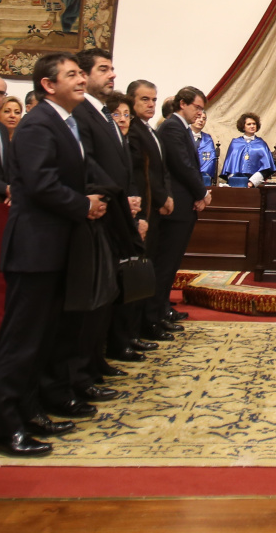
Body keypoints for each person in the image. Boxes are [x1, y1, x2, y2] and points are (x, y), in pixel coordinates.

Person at [0, 53, 109, 457]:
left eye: (79, 73)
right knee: (22, 340)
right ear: (48, 85)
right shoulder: (38, 123)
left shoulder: (65, 121)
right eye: (71, 74)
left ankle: (30, 410)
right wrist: (82, 205)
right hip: (34, 249)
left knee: (44, 338)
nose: (80, 79)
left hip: (57, 246)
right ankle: (4, 428)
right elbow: (40, 184)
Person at [58, 49, 144, 396]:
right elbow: (87, 165)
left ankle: (94, 364)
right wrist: (113, 196)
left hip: (115, 212)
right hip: (98, 212)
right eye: (103, 70)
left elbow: (122, 165)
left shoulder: (103, 115)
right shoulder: (80, 115)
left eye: (112, 70)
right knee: (91, 300)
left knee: (105, 296)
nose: (111, 75)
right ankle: (79, 375)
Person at [149, 86, 210, 339]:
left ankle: (162, 309)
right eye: (196, 107)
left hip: (183, 204)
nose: (199, 113)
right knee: (164, 263)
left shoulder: (180, 127)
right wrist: (201, 194)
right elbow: (182, 166)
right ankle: (155, 314)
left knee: (171, 263)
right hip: (176, 206)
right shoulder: (172, 126)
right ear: (182, 103)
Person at [116, 79, 171, 356]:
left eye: (153, 99)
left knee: (146, 272)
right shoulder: (132, 132)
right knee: (135, 274)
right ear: (131, 101)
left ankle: (137, 329)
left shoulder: (149, 129)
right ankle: (128, 334)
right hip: (141, 211)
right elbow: (142, 176)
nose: (150, 104)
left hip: (150, 209)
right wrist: (158, 201)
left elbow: (160, 171)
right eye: (144, 100)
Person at [221, 112, 276, 186]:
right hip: (236, 182)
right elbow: (229, 166)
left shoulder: (262, 144)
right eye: (249, 124)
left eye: (254, 124)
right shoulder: (235, 143)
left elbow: (266, 168)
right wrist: (235, 181)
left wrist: (252, 183)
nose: (252, 126)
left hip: (255, 184)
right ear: (243, 127)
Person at [193, 110, 219, 184]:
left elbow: (210, 159)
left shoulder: (208, 139)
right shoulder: (183, 135)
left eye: (204, 119)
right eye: (198, 117)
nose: (201, 120)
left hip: (202, 176)